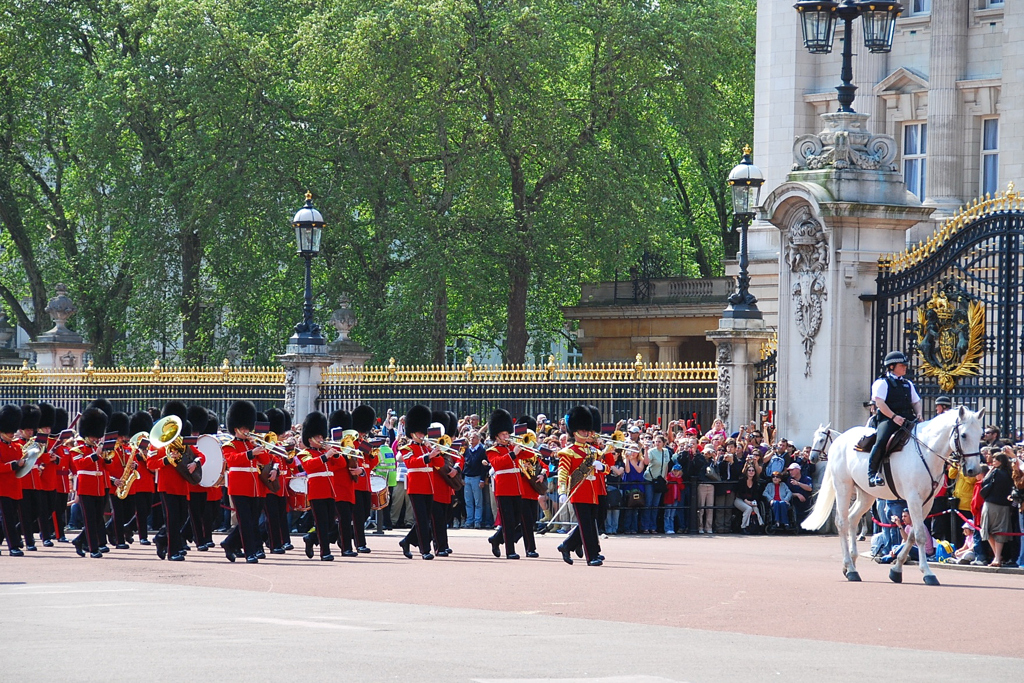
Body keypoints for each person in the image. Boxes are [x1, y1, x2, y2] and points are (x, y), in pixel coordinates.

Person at [220, 401, 270, 563]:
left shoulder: (252, 443)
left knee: (251, 521)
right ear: (236, 429)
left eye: (248, 428)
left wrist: (259, 446)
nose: (247, 431)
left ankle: (229, 542)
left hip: (253, 486)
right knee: (246, 521)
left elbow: (265, 459)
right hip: (238, 486)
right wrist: (250, 453)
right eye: (244, 429)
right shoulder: (229, 445)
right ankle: (250, 553)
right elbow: (232, 460)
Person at [556, 405, 605, 566]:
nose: (586, 433)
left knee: (590, 524)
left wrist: (602, 467)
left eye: (587, 430)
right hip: (579, 491)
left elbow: (606, 469)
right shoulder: (568, 452)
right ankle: (591, 557)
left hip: (592, 491)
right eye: (583, 430)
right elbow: (563, 473)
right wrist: (562, 491)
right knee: (585, 526)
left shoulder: (593, 451)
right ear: (575, 431)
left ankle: (567, 546)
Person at [868, 351, 923, 487]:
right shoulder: (882, 383)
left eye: (905, 365)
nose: (905, 367)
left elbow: (916, 402)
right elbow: (880, 402)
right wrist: (893, 417)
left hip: (907, 417)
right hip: (888, 418)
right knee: (881, 440)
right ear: (891, 366)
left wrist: (919, 414)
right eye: (902, 365)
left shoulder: (907, 383)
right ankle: (872, 474)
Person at [398, 404, 441, 560]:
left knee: (425, 519)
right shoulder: (406, 448)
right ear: (412, 433)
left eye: (423, 432)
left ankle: (407, 541)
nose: (422, 435)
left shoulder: (427, 447)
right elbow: (412, 463)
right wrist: (429, 456)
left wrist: (435, 452)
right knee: (421, 520)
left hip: (429, 487)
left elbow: (440, 464)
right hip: (416, 487)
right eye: (419, 432)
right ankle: (425, 550)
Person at [297, 411, 341, 561]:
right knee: (321, 523)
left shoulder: (325, 452)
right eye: (318, 437)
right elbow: (309, 466)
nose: (321, 439)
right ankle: (325, 552)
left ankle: (311, 538)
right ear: (310, 439)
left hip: (330, 490)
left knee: (329, 523)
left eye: (322, 436)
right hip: (316, 490)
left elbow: (340, 464)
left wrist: (334, 454)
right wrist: (325, 456)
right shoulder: (305, 453)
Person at [486, 409, 523, 559]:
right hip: (504, 488)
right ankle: (510, 551)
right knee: (508, 521)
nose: (507, 437)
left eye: (507, 434)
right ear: (496, 436)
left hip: (517, 487)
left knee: (516, 521)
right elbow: (498, 464)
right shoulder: (492, 450)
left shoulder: (512, 447)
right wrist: (513, 453)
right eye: (503, 434)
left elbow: (529, 455)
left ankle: (496, 539)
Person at [980, 450, 1014, 567]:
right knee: (999, 530)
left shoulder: (995, 473)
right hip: (1004, 505)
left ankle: (997, 557)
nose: (993, 461)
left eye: (996, 460)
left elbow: (984, 482)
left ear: (1001, 462)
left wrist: (990, 471)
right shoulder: (1010, 473)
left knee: (988, 529)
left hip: (991, 503)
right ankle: (997, 557)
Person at [0, 404, 26, 556]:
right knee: (8, 518)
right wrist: (13, 465)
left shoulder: (17, 447)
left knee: (8, 518)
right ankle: (13, 546)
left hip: (15, 487)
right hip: (3, 487)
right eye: (8, 431)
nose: (12, 434)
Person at [642, 434, 670, 533]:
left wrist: (665, 477)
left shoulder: (666, 452)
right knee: (648, 503)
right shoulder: (651, 451)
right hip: (650, 479)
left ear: (663, 443)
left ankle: (653, 526)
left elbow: (666, 465)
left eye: (659, 442)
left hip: (660, 481)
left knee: (655, 504)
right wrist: (645, 450)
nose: (657, 444)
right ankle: (645, 526)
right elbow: (646, 462)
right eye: (655, 442)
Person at [462, 430, 487, 529]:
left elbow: (483, 466)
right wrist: (463, 477)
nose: (471, 440)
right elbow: (464, 464)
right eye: (471, 438)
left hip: (477, 477)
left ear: (479, 439)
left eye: (474, 438)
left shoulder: (482, 450)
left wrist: (482, 479)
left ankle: (477, 521)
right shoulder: (467, 450)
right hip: (467, 477)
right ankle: (469, 520)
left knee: (478, 502)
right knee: (468, 501)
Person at [734, 461, 763, 533]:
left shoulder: (755, 482)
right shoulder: (742, 481)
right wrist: (745, 500)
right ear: (746, 472)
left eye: (753, 470)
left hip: (750, 501)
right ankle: (743, 527)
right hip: (739, 500)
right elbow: (740, 493)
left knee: (755, 508)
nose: (751, 472)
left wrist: (753, 501)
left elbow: (756, 494)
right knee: (748, 509)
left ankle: (760, 525)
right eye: (749, 470)